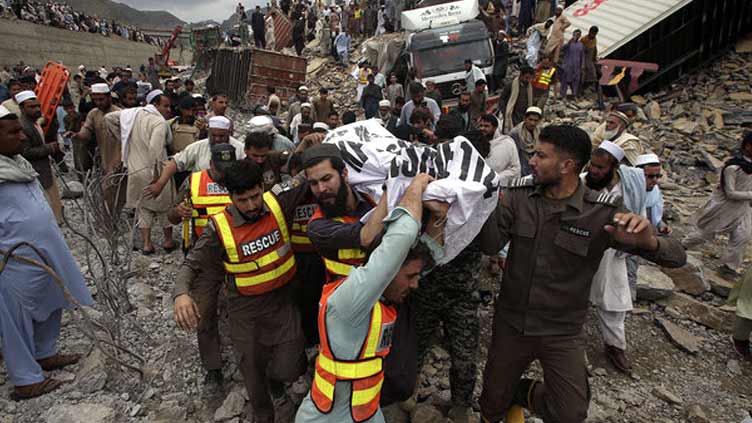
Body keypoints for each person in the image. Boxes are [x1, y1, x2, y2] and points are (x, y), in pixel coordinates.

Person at [478, 125, 686, 423]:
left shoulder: (600, 213)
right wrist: (487, 209)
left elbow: (677, 257)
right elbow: (491, 245)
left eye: (540, 155)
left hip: (562, 331)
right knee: (491, 402)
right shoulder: (518, 197)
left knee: (570, 413)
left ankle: (523, 393)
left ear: (567, 165)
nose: (532, 161)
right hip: (512, 324)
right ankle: (503, 398)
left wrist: (650, 241)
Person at [296, 173, 441, 423]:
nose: (416, 284)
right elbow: (400, 240)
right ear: (390, 268)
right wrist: (415, 185)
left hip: (366, 413)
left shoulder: (384, 296)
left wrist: (438, 216)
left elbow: (430, 257)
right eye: (412, 276)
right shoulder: (350, 300)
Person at [175, 159, 309, 423]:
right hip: (245, 310)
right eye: (242, 200)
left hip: (282, 302)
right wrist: (181, 293)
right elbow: (192, 263)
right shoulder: (219, 227)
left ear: (262, 187)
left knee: (290, 363)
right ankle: (263, 414)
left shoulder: (277, 200)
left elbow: (306, 175)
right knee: (251, 366)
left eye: (255, 196)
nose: (251, 205)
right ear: (231, 196)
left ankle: (277, 382)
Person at [0, 105, 94, 400]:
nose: (22, 137)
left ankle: (45, 353)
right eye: (13, 132)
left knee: (51, 299)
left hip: (44, 251)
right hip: (14, 259)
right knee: (15, 319)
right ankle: (26, 378)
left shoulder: (16, 164)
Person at [169, 143, 236, 394]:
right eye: (221, 170)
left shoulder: (240, 181)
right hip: (204, 259)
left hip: (235, 257)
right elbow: (170, 216)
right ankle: (213, 368)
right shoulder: (192, 182)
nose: (225, 174)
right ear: (211, 165)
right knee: (205, 313)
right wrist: (178, 211)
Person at [585, 141, 647, 375]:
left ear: (614, 167)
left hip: (612, 252)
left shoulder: (629, 188)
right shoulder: (582, 182)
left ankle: (615, 346)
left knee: (614, 301)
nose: (594, 171)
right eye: (592, 165)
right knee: (573, 297)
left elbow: (638, 215)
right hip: (581, 246)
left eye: (600, 168)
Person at [106, 90, 176, 254]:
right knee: (165, 207)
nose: (168, 110)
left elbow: (109, 118)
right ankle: (167, 241)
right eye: (165, 106)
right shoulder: (159, 122)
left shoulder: (132, 114)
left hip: (135, 171)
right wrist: (158, 176)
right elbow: (155, 149)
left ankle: (147, 244)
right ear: (155, 105)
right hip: (155, 170)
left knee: (143, 208)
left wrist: (124, 139)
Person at [683, 132, 752, 277]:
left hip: (744, 208)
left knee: (742, 236)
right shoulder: (733, 167)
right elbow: (730, 193)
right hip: (725, 207)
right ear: (747, 146)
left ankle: (729, 267)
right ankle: (681, 246)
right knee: (705, 233)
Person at [143, 116, 246, 199]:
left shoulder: (240, 149)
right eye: (213, 135)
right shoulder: (198, 147)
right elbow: (175, 163)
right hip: (201, 199)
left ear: (229, 133)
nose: (217, 139)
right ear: (208, 132)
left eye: (221, 136)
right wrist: (159, 184)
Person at [16, 91, 63, 223]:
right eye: (31, 107)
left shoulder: (34, 122)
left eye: (38, 106)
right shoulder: (24, 126)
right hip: (36, 170)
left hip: (45, 167)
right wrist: (50, 148)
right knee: (45, 201)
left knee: (53, 197)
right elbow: (25, 152)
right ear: (22, 108)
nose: (36, 109)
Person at [479, 113, 520, 186]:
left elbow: (515, 170)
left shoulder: (507, 143)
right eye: (481, 126)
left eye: (486, 126)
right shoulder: (477, 142)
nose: (482, 129)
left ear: (495, 128)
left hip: (501, 187)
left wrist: (495, 178)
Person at [499, 65, 535, 133]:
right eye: (526, 77)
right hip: (512, 114)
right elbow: (502, 99)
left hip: (524, 115)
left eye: (530, 78)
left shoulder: (529, 87)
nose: (528, 80)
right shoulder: (511, 85)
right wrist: (505, 111)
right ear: (521, 75)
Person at [509, 106, 543, 176]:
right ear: (525, 119)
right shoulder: (515, 133)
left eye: (535, 120)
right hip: (521, 167)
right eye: (530, 119)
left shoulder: (539, 132)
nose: (532, 123)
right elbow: (514, 156)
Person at [560, 29, 585, 99]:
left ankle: (574, 95)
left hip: (577, 66)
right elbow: (562, 49)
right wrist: (569, 42)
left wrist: (582, 65)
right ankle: (563, 95)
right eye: (576, 34)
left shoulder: (581, 45)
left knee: (576, 81)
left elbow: (582, 56)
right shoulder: (569, 43)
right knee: (565, 80)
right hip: (567, 65)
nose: (577, 36)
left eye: (579, 35)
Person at [580, 26, 600, 95]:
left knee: (593, 74)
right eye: (592, 33)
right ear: (589, 32)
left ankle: (589, 89)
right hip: (583, 59)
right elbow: (580, 50)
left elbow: (594, 49)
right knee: (583, 75)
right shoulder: (584, 39)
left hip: (590, 59)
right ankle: (581, 90)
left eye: (595, 33)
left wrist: (595, 58)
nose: (593, 35)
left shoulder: (594, 39)